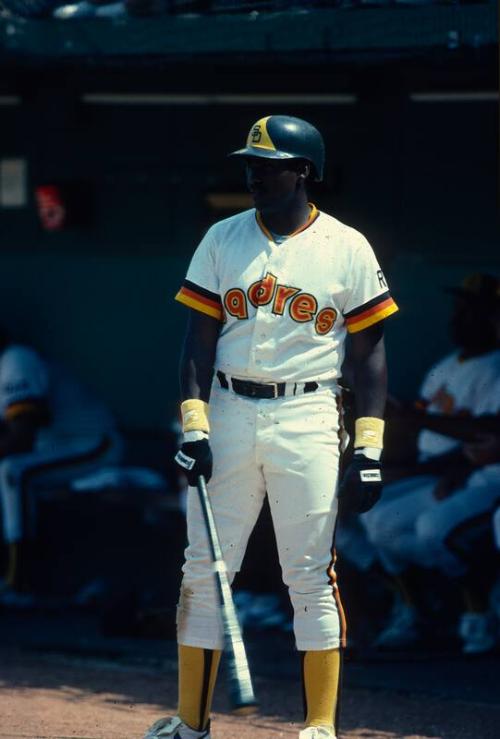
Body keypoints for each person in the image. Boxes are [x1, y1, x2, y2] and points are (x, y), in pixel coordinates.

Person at [144, 115, 398, 739]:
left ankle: (319, 726)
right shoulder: (222, 237)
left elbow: (370, 355)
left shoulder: (347, 246)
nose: (255, 173)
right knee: (202, 568)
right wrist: (194, 428)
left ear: (304, 171)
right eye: (251, 163)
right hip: (228, 409)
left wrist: (369, 447)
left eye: (270, 163)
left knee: (309, 571)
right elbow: (197, 342)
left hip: (309, 413)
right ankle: (191, 722)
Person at [362, 273, 500, 653]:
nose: (461, 318)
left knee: (434, 529)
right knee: (378, 520)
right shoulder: (446, 366)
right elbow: (420, 418)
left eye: (472, 311)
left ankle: (478, 613)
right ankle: (419, 609)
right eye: (460, 309)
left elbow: (489, 431)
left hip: (481, 476)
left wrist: (436, 452)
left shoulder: (495, 367)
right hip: (438, 472)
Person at [0, 328, 122, 603]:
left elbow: (21, 436)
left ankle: (19, 583)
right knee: (14, 471)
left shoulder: (16, 359)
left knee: (13, 471)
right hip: (56, 448)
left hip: (91, 443)